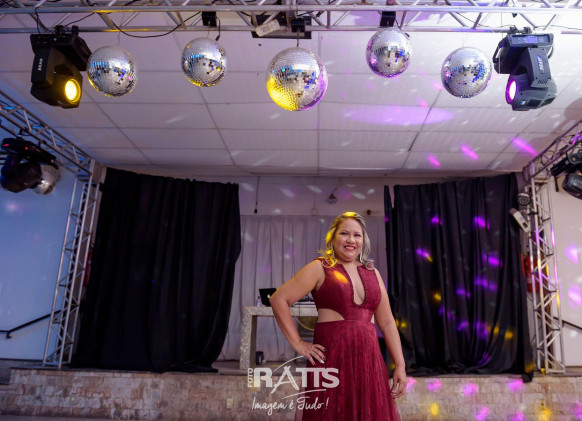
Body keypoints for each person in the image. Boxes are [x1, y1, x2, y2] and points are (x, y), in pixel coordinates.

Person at [270, 211, 406, 420]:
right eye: (344, 233)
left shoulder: (373, 273)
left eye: (357, 235)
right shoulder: (319, 267)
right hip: (332, 361)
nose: (351, 240)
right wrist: (298, 344)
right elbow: (278, 299)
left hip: (369, 364)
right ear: (332, 238)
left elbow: (387, 322)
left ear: (363, 240)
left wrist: (400, 365)